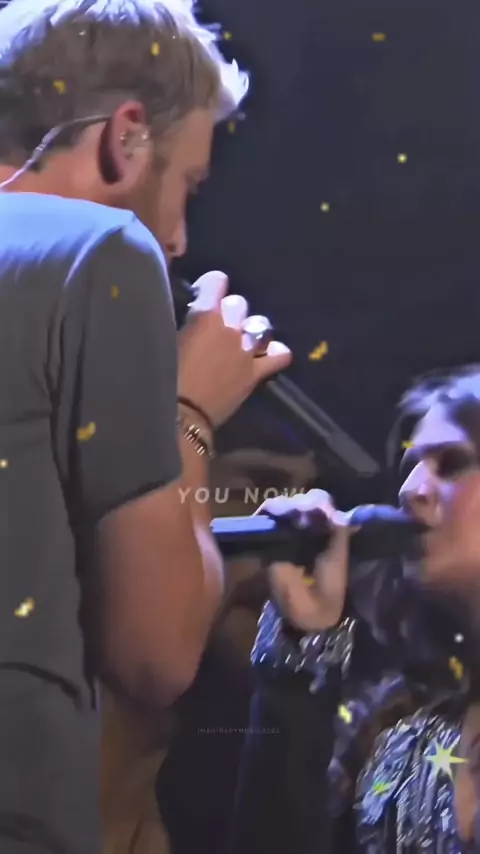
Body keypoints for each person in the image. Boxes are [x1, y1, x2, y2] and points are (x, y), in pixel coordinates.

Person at [0, 2, 292, 852]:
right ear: (124, 136)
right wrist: (189, 411)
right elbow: (157, 653)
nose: (177, 239)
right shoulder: (101, 251)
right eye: (188, 186)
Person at [231, 365, 480, 854]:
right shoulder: (399, 738)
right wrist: (299, 648)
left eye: (452, 464)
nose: (410, 490)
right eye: (410, 467)